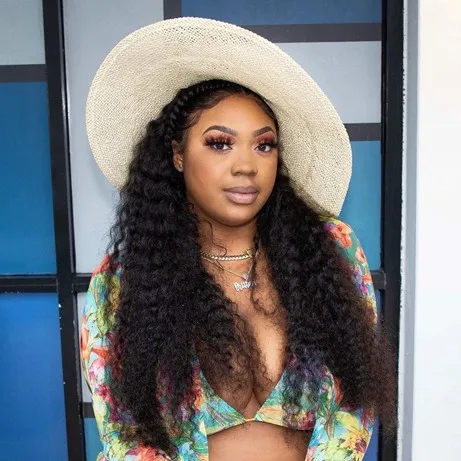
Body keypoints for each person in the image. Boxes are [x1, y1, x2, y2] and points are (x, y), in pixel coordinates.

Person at [80, 17, 395, 461]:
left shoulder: (329, 251)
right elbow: (125, 434)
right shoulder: (124, 282)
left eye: (264, 145)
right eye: (220, 143)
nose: (246, 165)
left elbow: (354, 405)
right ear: (177, 155)